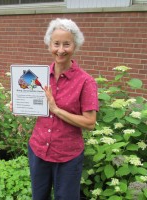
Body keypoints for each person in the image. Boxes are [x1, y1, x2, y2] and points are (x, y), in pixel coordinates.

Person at [28, 18, 99, 200]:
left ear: (75, 45)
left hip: (68, 156)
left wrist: (56, 109)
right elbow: (29, 102)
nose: (60, 50)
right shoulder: (38, 76)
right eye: (56, 44)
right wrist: (18, 105)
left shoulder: (86, 81)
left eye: (66, 44)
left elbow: (90, 123)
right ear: (49, 45)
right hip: (39, 150)